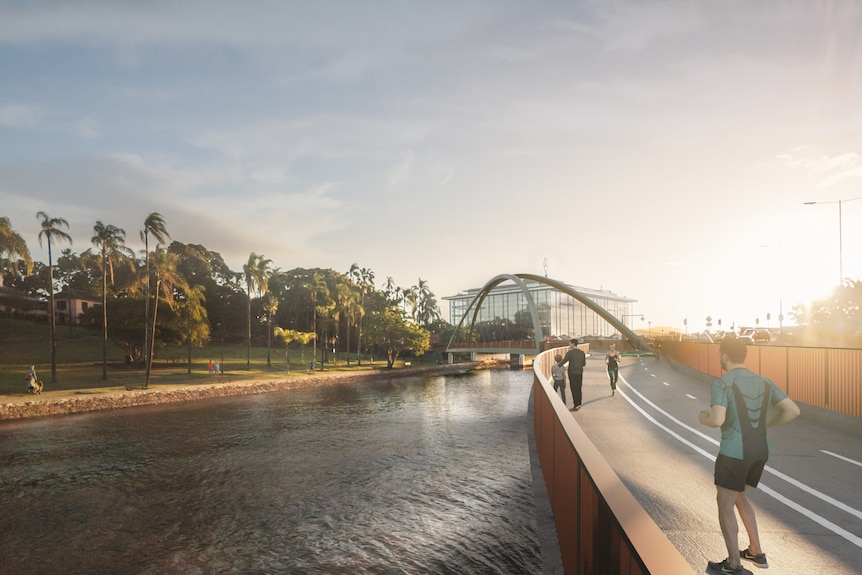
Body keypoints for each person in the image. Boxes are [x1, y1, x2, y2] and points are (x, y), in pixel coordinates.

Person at [698, 336, 800, 575]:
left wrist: (703, 418)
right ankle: (756, 551)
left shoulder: (722, 383)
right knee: (741, 497)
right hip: (760, 452)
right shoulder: (764, 381)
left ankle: (734, 565)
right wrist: (767, 424)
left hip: (734, 454)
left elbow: (717, 419)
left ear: (724, 356)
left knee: (725, 504)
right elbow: (793, 411)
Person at [557, 338, 586, 410]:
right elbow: (584, 364)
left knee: (573, 388)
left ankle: (575, 404)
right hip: (579, 372)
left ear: (573, 344)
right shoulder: (582, 353)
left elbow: (564, 361)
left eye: (569, 343)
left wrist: (557, 366)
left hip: (572, 372)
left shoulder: (570, 353)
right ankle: (579, 404)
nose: (569, 345)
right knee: (579, 388)